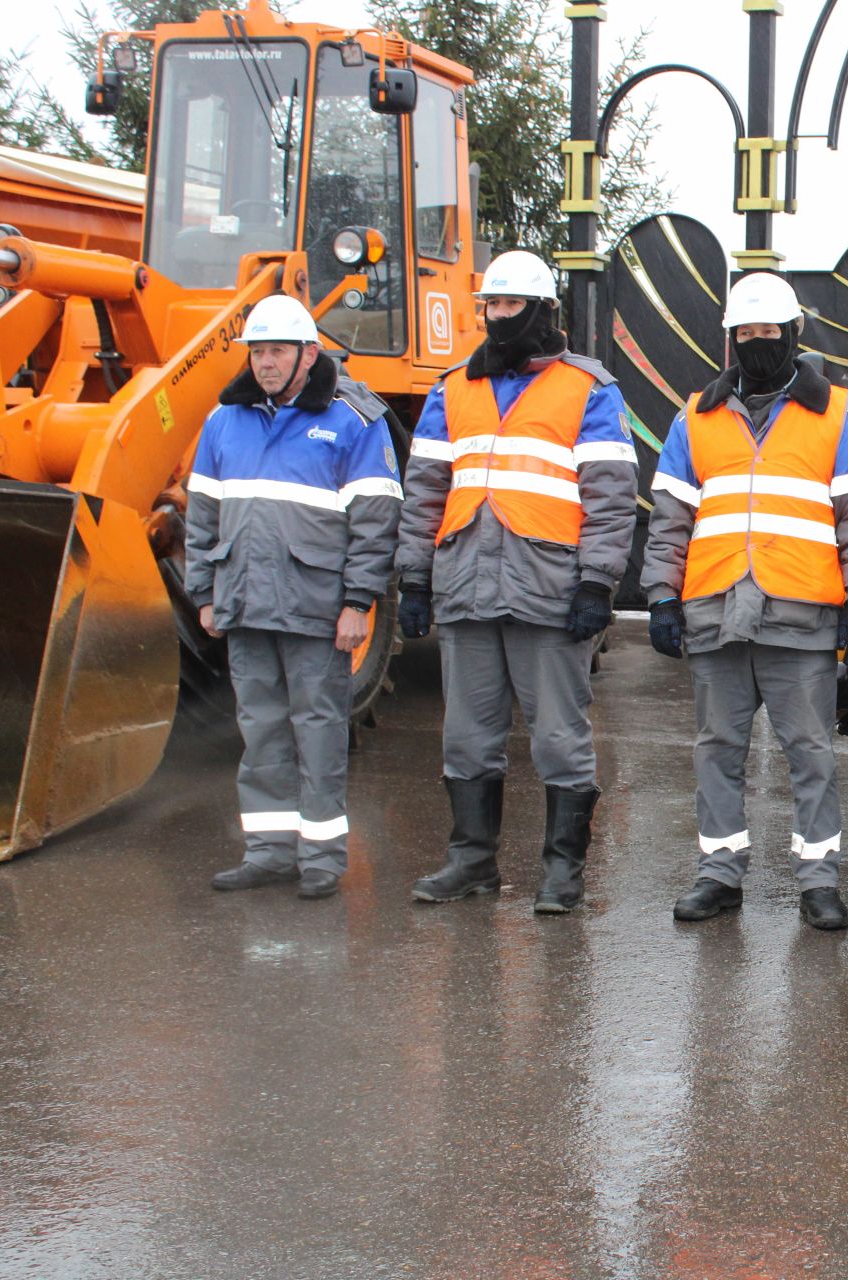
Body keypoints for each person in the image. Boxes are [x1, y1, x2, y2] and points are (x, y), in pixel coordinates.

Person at [396, 250, 638, 915]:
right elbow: (424, 492)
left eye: (510, 307)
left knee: (559, 737)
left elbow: (612, 498)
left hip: (549, 591)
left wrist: (598, 583)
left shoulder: (589, 389)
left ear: (542, 312)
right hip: (467, 585)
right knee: (467, 737)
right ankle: (470, 860)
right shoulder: (452, 389)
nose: (498, 319)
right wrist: (414, 579)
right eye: (491, 307)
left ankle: (562, 872)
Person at [641, 272, 848, 931]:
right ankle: (718, 873)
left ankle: (818, 881)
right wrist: (661, 596)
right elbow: (669, 518)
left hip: (800, 614)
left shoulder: (837, 415)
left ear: (792, 337)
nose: (756, 345)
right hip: (716, 609)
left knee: (809, 750)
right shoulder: (697, 415)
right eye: (744, 334)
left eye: (767, 334)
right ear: (729, 340)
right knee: (717, 746)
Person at [186, 294, 403, 899]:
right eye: (257, 351)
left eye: (277, 350)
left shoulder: (352, 420)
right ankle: (267, 853)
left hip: (315, 610)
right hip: (246, 603)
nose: (266, 362)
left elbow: (375, 520)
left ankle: (322, 859)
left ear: (309, 352)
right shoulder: (223, 421)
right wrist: (203, 592)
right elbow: (201, 516)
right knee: (260, 732)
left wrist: (359, 603)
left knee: (319, 732)